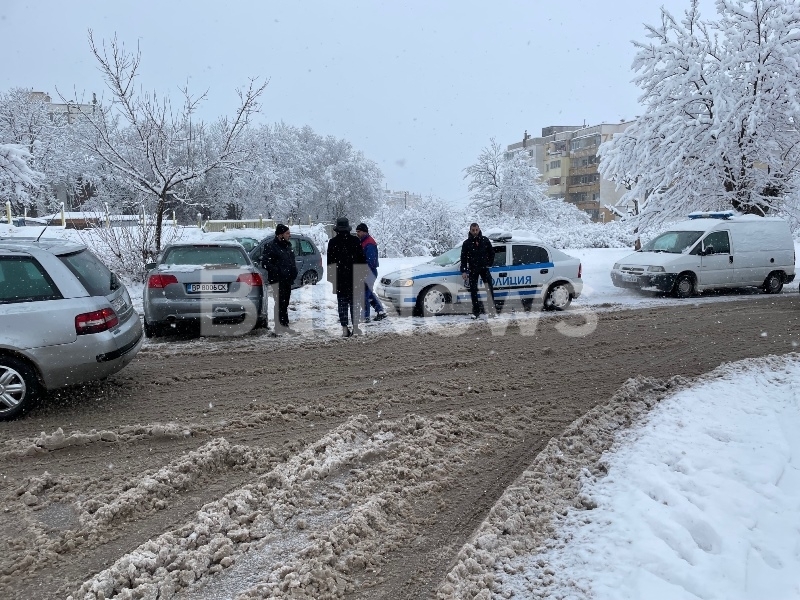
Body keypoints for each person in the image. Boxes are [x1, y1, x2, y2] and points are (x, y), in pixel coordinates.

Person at [327, 217, 367, 337]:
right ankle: (355, 328)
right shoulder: (355, 241)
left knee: (342, 305)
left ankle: (345, 329)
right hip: (355, 278)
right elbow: (361, 260)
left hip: (339, 279)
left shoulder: (332, 242)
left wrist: (332, 279)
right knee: (355, 304)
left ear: (337, 229)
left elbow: (330, 263)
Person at [262, 224, 298, 335]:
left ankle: (284, 325)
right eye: (287, 233)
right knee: (279, 303)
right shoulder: (271, 246)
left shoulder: (287, 246)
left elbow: (291, 261)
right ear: (280, 235)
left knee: (285, 303)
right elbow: (265, 263)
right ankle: (278, 327)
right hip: (277, 280)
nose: (289, 235)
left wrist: (293, 271)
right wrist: (278, 271)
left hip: (287, 279)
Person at [460, 222, 497, 319]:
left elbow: (492, 253)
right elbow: (463, 258)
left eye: (476, 230)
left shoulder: (485, 240)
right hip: (473, 269)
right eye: (473, 230)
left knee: (489, 289)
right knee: (473, 291)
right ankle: (476, 312)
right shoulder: (466, 243)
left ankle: (492, 311)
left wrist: (489, 263)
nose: (475, 232)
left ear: (479, 229)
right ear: (470, 230)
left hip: (484, 268)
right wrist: (464, 271)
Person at [355, 223, 388, 323]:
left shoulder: (369, 243)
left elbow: (371, 261)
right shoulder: (363, 241)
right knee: (368, 293)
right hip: (366, 271)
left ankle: (365, 316)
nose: (357, 233)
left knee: (364, 294)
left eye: (359, 231)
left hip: (369, 272)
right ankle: (380, 311)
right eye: (357, 231)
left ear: (364, 232)